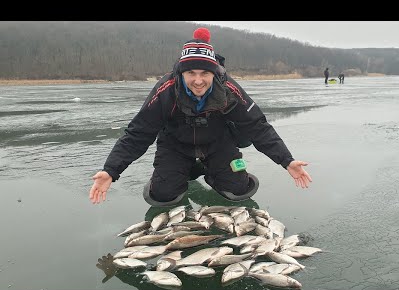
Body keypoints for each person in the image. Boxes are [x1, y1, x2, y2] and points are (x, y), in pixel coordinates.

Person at [89, 27, 312, 207]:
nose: (198, 80)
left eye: (205, 73)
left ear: (214, 73)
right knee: (162, 196)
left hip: (218, 143)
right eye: (191, 73)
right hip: (176, 145)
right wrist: (111, 170)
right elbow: (138, 133)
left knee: (239, 191)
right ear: (181, 73)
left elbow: (258, 126)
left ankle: (211, 171)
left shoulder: (229, 90)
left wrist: (287, 160)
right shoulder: (166, 90)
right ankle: (184, 171)